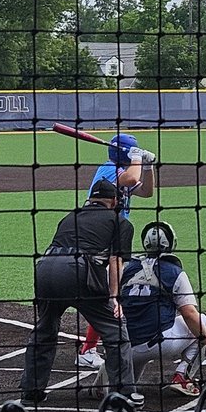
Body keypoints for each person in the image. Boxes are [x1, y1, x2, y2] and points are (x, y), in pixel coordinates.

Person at [19, 178, 140, 406]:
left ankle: (31, 391)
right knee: (115, 330)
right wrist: (115, 297)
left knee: (45, 330)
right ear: (114, 201)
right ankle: (125, 393)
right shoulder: (120, 222)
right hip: (77, 271)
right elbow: (115, 261)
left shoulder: (70, 217)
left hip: (44, 269)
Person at [96, 221, 206, 398]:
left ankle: (102, 382)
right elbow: (189, 314)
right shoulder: (174, 272)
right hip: (160, 343)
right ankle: (182, 377)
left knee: (121, 386)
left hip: (125, 346)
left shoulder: (126, 268)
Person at [77, 133, 157, 368]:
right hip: (101, 236)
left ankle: (91, 347)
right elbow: (131, 178)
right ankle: (88, 350)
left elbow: (147, 192)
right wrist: (138, 159)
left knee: (108, 294)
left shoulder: (122, 169)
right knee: (107, 295)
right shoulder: (109, 169)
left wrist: (148, 167)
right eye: (133, 150)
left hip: (113, 233)